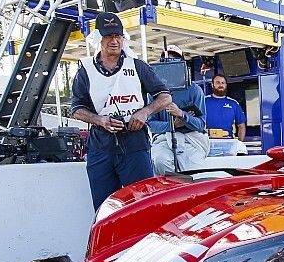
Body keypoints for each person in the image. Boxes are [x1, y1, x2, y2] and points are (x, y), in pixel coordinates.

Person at [71, 11, 172, 211]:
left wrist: (145, 112)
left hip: (135, 144)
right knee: (104, 209)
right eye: (109, 36)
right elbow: (76, 109)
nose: (114, 41)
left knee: (145, 206)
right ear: (100, 38)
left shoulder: (137, 66)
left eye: (118, 36)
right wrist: (99, 120)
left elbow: (165, 96)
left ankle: (145, 241)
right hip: (101, 147)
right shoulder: (85, 69)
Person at [148, 45, 209, 174]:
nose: (171, 62)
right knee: (160, 161)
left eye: (175, 58)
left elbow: (201, 123)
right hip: (164, 138)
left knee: (193, 172)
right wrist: (171, 126)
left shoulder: (194, 90)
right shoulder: (153, 93)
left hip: (192, 139)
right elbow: (150, 124)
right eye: (167, 59)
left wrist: (182, 115)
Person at [205, 73, 246, 141]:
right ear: (212, 85)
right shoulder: (203, 101)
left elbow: (241, 126)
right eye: (218, 83)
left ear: (226, 85)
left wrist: (239, 144)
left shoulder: (233, 103)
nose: (221, 85)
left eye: (223, 83)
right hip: (207, 142)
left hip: (228, 143)